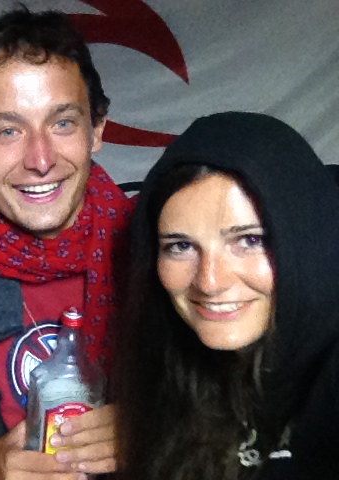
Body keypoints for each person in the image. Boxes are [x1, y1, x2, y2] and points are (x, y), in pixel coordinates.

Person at [0, 7, 135, 480]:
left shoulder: (156, 252)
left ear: (96, 129)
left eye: (63, 123)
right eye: (8, 131)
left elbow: (220, 387)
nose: (40, 159)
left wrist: (149, 421)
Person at [113, 111, 339, 479]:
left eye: (249, 240)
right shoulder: (177, 372)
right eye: (181, 246)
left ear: (306, 239)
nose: (210, 282)